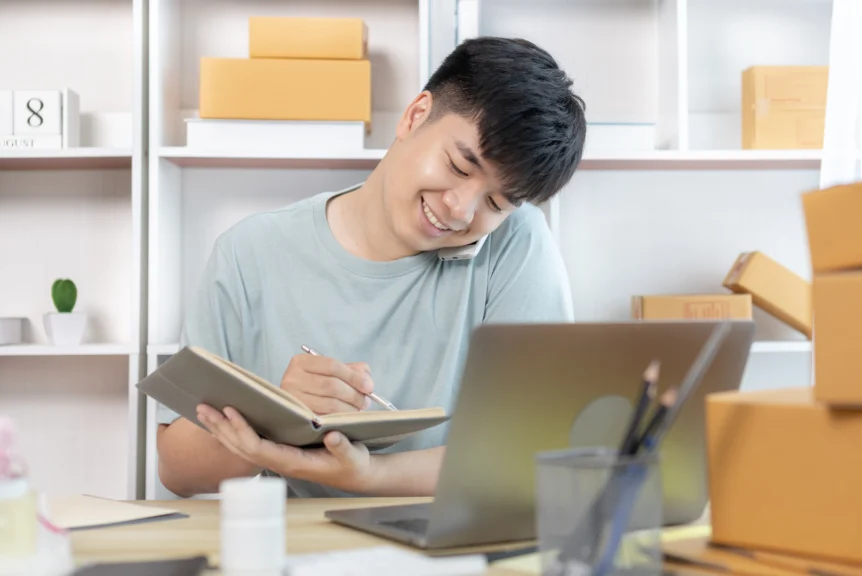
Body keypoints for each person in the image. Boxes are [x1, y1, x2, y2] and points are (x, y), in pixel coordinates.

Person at [154, 36, 587, 499]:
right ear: (416, 114)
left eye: (496, 202)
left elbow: (531, 451)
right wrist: (278, 417)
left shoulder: (515, 242)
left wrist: (370, 475)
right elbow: (177, 471)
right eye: (460, 167)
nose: (461, 210)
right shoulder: (250, 253)